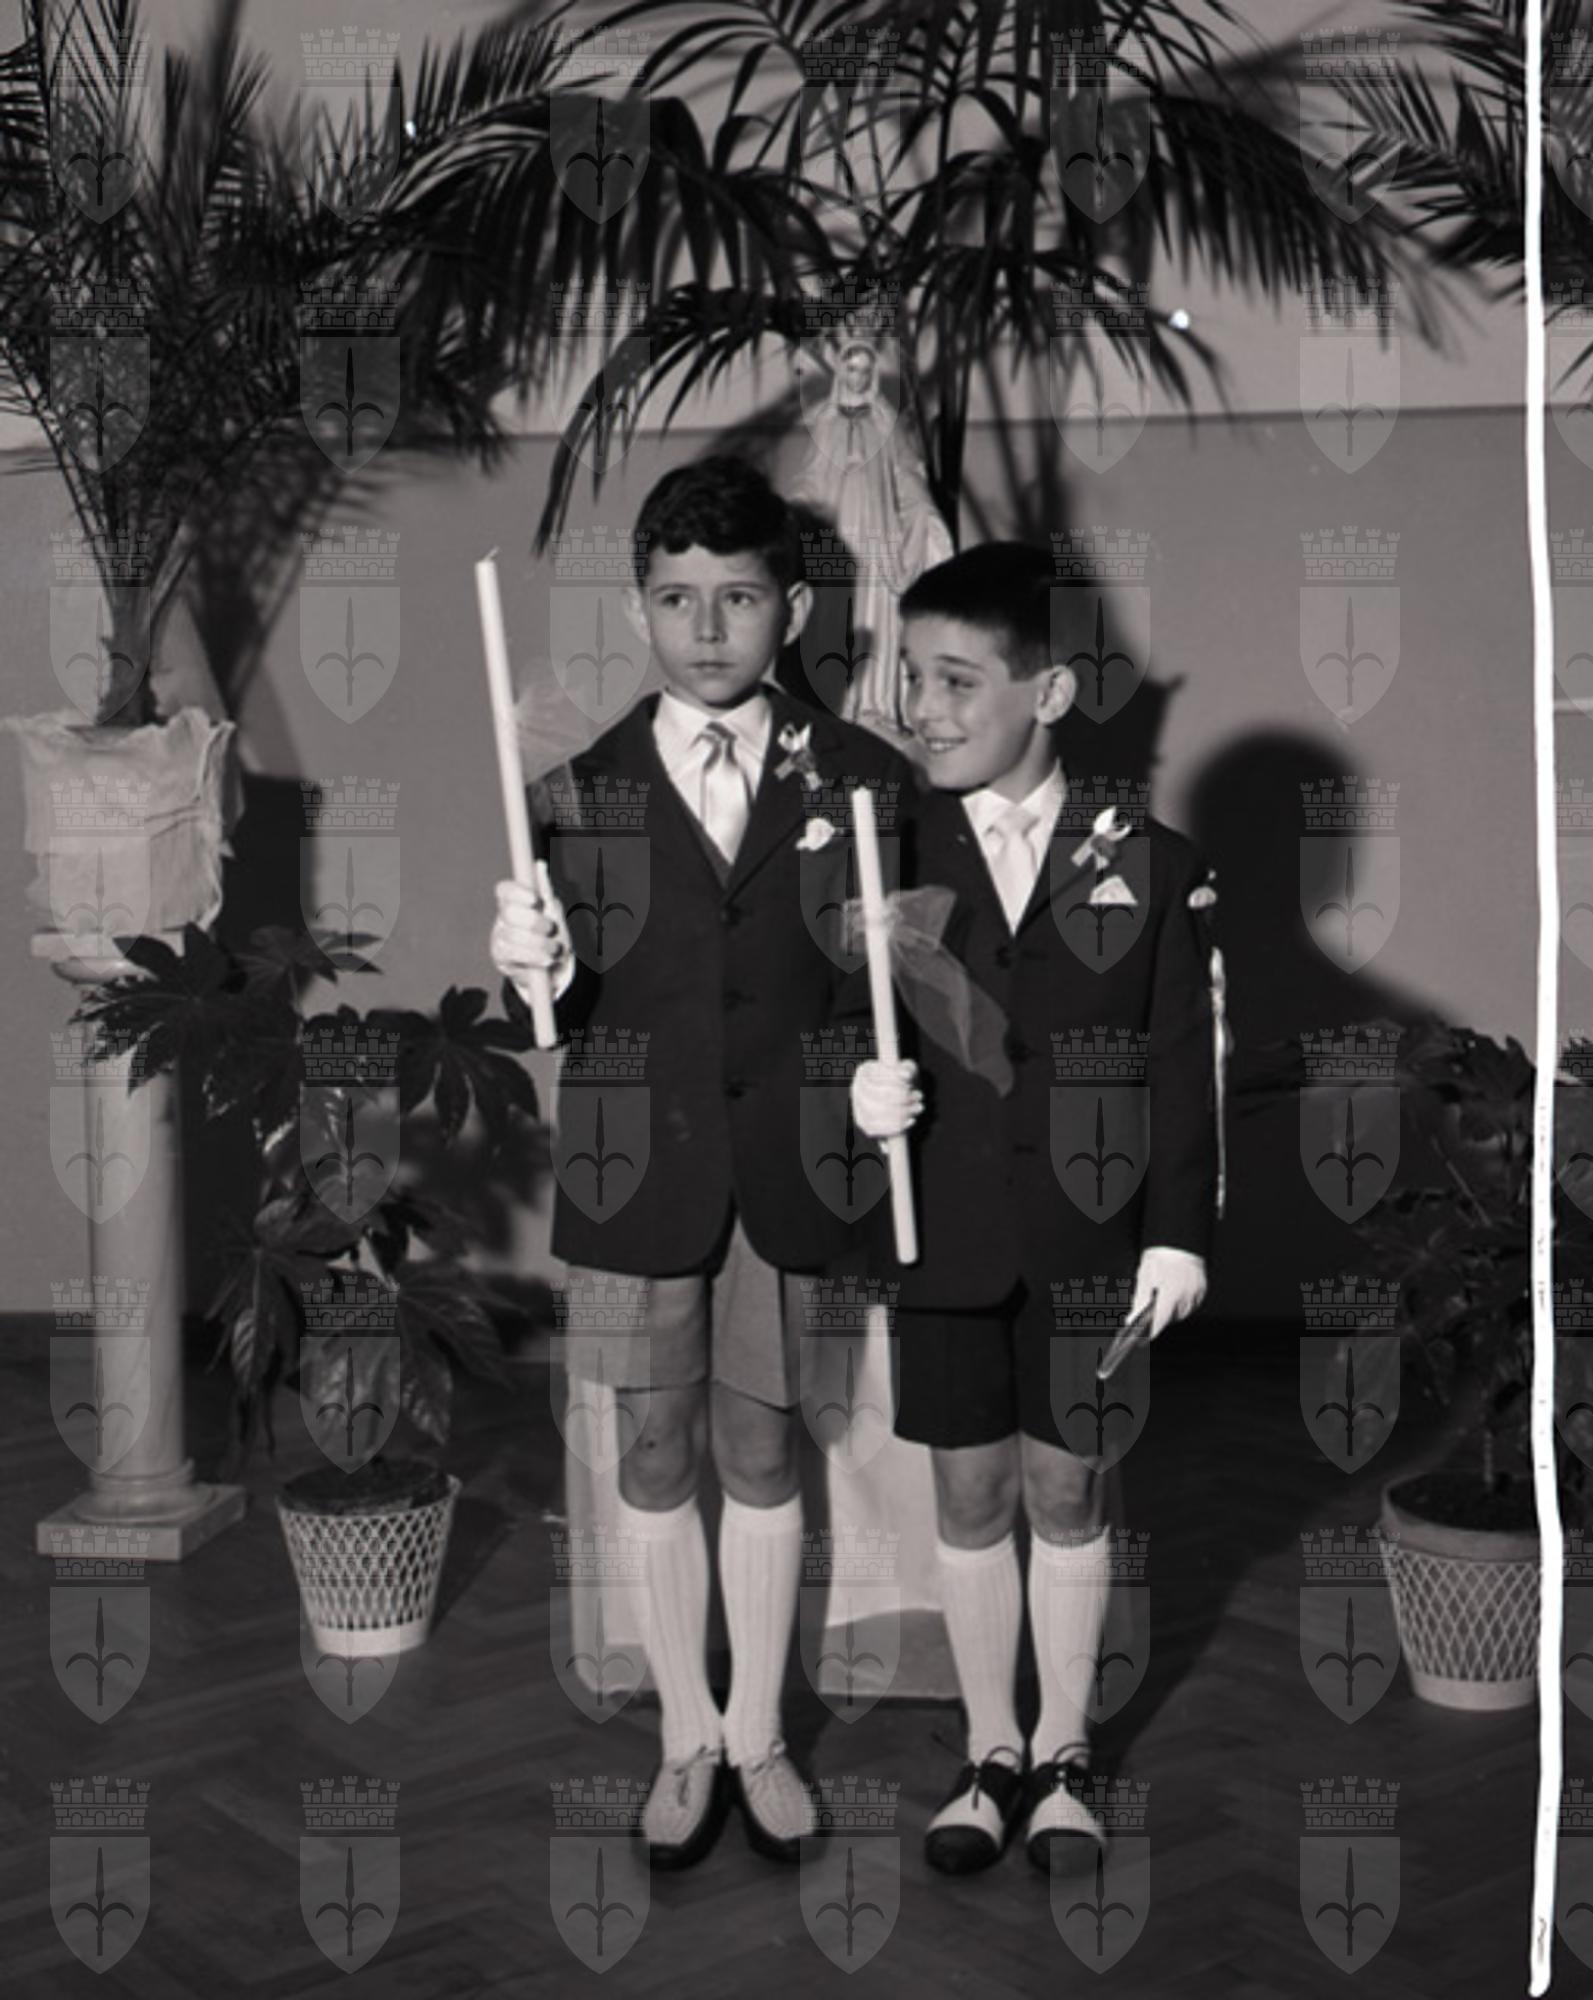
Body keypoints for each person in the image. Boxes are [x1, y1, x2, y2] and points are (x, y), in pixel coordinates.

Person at [489, 455, 915, 1870]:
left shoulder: (865, 780)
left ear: (791, 607)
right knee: (654, 1446)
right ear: (638, 612)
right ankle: (685, 1735)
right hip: (631, 1172)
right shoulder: (570, 796)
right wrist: (530, 968)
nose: (708, 627)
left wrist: (886, 1061)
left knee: (762, 1446)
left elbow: (904, 985)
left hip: (794, 1164)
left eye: (738, 596)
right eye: (677, 599)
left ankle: (758, 1733)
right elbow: (554, 1013)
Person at [847, 541, 1222, 1877]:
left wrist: (1177, 1229)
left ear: (1049, 692)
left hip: (1088, 1236)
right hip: (944, 1228)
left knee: (1067, 1487)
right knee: (967, 1491)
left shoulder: (1152, 861)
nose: (923, 708)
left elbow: (1182, 1058)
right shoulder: (883, 855)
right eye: (911, 678)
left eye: (957, 680)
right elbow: (831, 1026)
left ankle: (1063, 1751)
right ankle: (989, 1747)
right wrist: (851, 1097)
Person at [785, 333, 952, 743]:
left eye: (864, 369)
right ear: (841, 372)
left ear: (872, 374)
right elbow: (811, 479)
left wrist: (923, 512)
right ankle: (841, 704)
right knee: (838, 618)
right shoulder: (824, 423)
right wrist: (795, 507)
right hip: (838, 543)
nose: (857, 376)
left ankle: (876, 706)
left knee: (878, 619)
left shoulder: (885, 424)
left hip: (879, 544)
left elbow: (907, 476)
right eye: (851, 368)